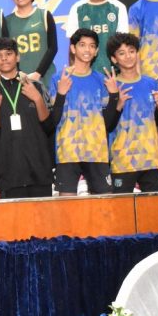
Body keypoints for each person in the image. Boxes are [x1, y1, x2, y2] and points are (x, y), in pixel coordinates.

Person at [48, 29, 122, 196]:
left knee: (103, 205)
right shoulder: (58, 78)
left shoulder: (102, 80)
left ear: (96, 51)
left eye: (92, 46)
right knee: (67, 206)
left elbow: (108, 124)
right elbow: (53, 120)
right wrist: (61, 94)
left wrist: (114, 96)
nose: (87, 49)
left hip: (97, 152)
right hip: (67, 152)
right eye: (82, 45)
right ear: (73, 48)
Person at [0, 38, 53, 199]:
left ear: (18, 57)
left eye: (9, 54)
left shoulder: (35, 85)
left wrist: (37, 99)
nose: (4, 58)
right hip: (9, 173)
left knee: (42, 216)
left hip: (39, 169)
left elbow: (49, 127)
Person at [106, 32, 158, 193]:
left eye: (131, 51)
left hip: (150, 159)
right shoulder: (110, 86)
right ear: (114, 59)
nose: (128, 56)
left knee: (154, 207)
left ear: (137, 53)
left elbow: (157, 121)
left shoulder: (151, 83)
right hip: (122, 160)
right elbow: (107, 125)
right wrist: (117, 104)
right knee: (121, 208)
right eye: (122, 53)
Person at [63, 0, 129, 74]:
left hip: (113, 71)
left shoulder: (118, 7)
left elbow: (123, 44)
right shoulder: (77, 8)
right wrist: (73, 73)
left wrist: (123, 71)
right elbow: (72, 44)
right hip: (85, 72)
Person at [1, 0, 58, 91]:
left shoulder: (44, 15)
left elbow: (53, 48)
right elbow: (7, 52)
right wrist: (19, 74)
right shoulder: (7, 21)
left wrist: (38, 73)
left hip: (45, 77)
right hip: (19, 80)